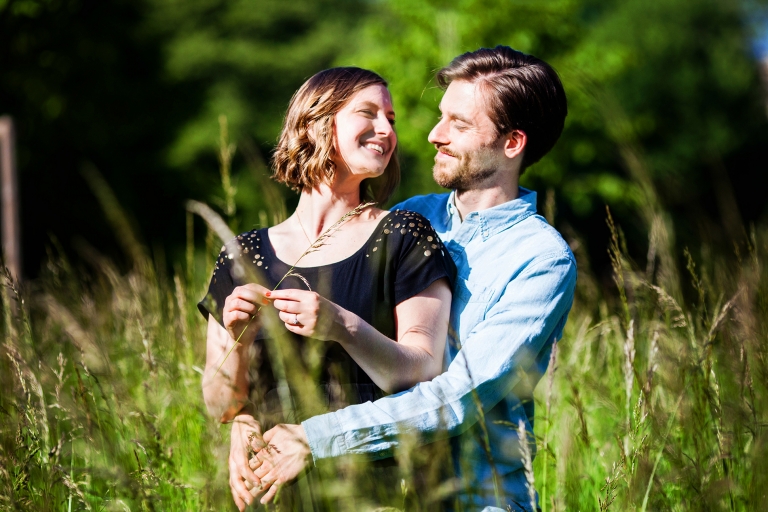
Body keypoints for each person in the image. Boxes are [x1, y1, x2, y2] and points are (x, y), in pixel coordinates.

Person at [248, 46, 577, 511]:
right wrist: (244, 419)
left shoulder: (541, 259)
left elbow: (458, 398)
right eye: (441, 117)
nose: (434, 135)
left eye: (459, 124)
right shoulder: (407, 220)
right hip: (382, 495)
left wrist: (316, 438)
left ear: (512, 143)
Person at [197, 67, 456, 509]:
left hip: (374, 486)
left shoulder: (404, 236)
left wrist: (341, 326)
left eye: (391, 119)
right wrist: (238, 353)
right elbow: (221, 405)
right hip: (272, 492)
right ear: (316, 122)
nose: (386, 130)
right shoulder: (243, 255)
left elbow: (425, 370)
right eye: (368, 113)